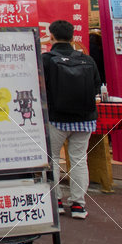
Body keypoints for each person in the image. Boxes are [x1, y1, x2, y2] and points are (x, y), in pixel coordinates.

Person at [41, 20, 100, 219]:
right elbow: (96, 87)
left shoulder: (46, 59)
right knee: (79, 161)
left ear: (51, 37)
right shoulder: (87, 60)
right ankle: (78, 205)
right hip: (84, 119)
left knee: (53, 160)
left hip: (56, 118)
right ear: (73, 37)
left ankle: (56, 201)